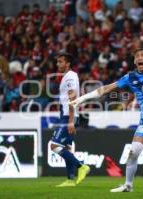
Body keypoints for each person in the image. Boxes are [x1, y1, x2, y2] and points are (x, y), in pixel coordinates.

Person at [70, 13, 143, 193]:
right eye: (137, 56)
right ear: (135, 61)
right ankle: (128, 186)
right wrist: (81, 99)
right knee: (133, 152)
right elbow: (106, 89)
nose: (140, 57)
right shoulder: (130, 77)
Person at [50, 52, 90, 187]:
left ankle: (81, 167)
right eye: (57, 61)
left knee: (54, 146)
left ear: (68, 64)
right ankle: (70, 180)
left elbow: (73, 99)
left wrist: (71, 121)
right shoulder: (68, 77)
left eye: (61, 61)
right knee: (66, 147)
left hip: (68, 116)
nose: (58, 64)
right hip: (67, 115)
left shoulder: (70, 77)